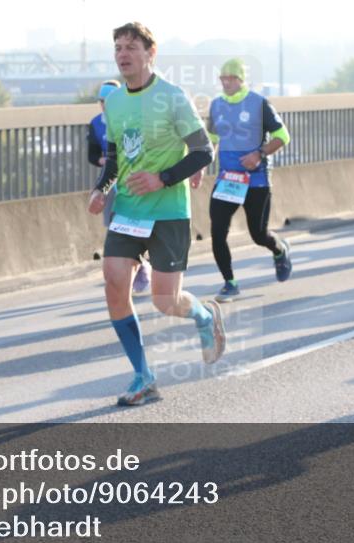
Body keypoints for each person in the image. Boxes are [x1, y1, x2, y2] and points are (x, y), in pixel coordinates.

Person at [87, 22, 225, 406]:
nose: (122, 53)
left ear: (150, 53)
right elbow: (114, 157)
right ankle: (142, 375)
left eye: (131, 46)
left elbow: (202, 152)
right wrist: (101, 188)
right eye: (117, 47)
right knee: (114, 283)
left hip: (168, 212)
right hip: (129, 211)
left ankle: (202, 316)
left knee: (165, 301)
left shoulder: (172, 97)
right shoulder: (114, 102)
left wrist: (163, 178)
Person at [207, 58, 293, 302]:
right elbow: (212, 140)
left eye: (231, 78)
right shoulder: (216, 106)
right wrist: (200, 166)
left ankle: (279, 249)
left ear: (242, 80)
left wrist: (259, 154)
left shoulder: (258, 103)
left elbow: (283, 135)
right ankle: (229, 282)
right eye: (223, 78)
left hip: (255, 181)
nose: (226, 83)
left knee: (258, 234)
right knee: (218, 231)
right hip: (227, 180)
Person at [88, 79, 152, 293]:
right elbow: (92, 154)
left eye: (109, 100)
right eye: (101, 101)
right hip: (110, 180)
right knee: (116, 226)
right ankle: (132, 271)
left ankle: (141, 265)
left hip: (134, 179)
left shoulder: (133, 118)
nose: (105, 105)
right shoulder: (96, 123)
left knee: (137, 227)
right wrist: (103, 162)